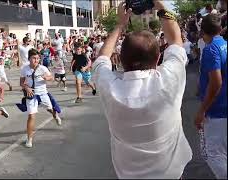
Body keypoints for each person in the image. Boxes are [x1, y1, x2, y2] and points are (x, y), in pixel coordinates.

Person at [92, 2, 192, 179]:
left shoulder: (111, 88)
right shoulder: (169, 80)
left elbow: (101, 59)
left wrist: (120, 24)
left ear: (120, 60)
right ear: (158, 58)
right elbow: (176, 41)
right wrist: (159, 4)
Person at [195, 14, 227, 179]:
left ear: (202, 31)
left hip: (216, 111)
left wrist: (202, 110)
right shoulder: (225, 44)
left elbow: (216, 82)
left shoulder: (211, 49)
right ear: (220, 29)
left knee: (212, 154)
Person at [19, 49, 62, 148]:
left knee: (50, 109)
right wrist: (27, 88)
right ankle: (29, 139)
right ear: (29, 58)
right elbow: (21, 83)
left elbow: (51, 77)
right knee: (31, 116)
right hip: (31, 95)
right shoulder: (24, 69)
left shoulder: (43, 68)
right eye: (34, 58)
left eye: (38, 58)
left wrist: (47, 78)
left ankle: (55, 116)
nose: (36, 60)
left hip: (43, 93)